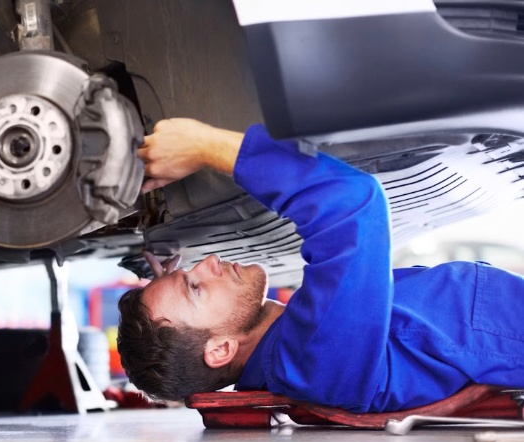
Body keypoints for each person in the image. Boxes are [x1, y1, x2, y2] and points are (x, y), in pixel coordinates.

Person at [117, 118, 524, 413]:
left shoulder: (297, 353)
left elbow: (187, 330)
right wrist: (205, 145)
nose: (208, 262)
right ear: (221, 349)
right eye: (195, 287)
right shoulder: (312, 358)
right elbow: (353, 204)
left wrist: (171, 289)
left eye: (188, 274)